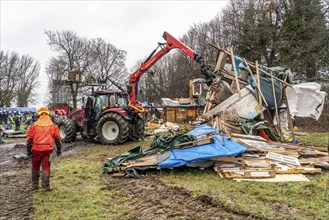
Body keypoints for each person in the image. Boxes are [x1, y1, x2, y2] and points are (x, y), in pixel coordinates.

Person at [26, 107, 62, 191]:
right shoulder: (53, 126)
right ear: (48, 114)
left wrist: (28, 150)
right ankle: (45, 187)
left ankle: (35, 186)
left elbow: (29, 139)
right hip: (47, 151)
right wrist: (59, 150)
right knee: (46, 167)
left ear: (38, 115)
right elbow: (57, 139)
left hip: (36, 150)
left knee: (35, 167)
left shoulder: (34, 125)